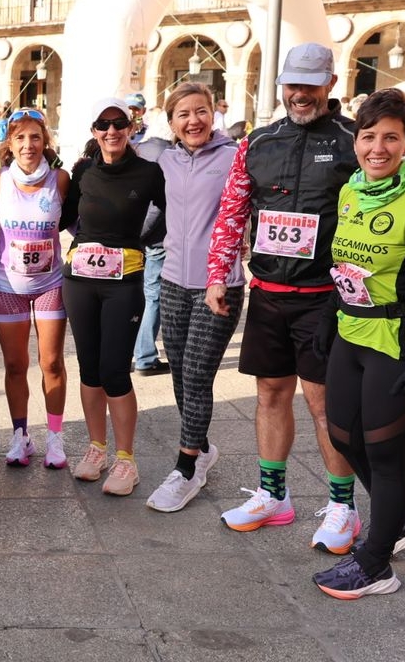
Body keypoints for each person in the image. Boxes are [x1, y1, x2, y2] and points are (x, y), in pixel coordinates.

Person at [206, 42, 363, 553]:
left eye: (310, 85)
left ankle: (343, 506)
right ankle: (274, 495)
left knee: (324, 403)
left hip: (326, 298)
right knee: (270, 393)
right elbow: (232, 211)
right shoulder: (258, 142)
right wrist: (217, 275)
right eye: (292, 84)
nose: (300, 94)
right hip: (269, 293)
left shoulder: (353, 141)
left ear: (330, 84)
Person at [312, 88, 405, 598]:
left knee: (386, 453)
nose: (378, 148)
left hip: (400, 340)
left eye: (390, 138)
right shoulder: (351, 192)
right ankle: (402, 521)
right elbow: (345, 264)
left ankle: (376, 565)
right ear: (356, 141)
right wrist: (329, 315)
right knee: (343, 437)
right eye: (368, 136)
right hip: (352, 331)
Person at [145, 84, 244, 512]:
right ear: (171, 122)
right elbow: (148, 207)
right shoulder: (164, 159)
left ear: (213, 114)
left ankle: (186, 469)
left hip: (218, 284)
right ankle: (201, 447)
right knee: (180, 375)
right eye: (183, 114)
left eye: (201, 111)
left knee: (198, 374)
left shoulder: (234, 157)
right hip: (171, 279)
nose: (193, 121)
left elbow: (251, 206)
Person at [62, 97, 166, 495]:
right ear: (94, 131)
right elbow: (65, 215)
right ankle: (97, 449)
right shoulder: (83, 171)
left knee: (114, 371)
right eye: (103, 125)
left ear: (131, 127)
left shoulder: (149, 172)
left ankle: (126, 460)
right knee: (89, 368)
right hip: (80, 280)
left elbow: (170, 213)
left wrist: (140, 242)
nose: (111, 131)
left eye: (118, 123)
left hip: (123, 282)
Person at [0, 108, 70, 467]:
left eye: (35, 137)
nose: (28, 145)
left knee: (51, 362)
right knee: (14, 364)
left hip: (50, 283)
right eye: (20, 137)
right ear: (9, 143)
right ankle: (20, 435)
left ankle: (55, 438)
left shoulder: (60, 179)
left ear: (45, 141)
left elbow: (77, 221)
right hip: (8, 285)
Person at [131, 116, 173, 376]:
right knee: (153, 295)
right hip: (157, 237)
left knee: (136, 294)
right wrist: (142, 233)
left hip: (134, 234)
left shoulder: (138, 150)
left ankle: (132, 350)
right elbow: (157, 206)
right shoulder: (168, 155)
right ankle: (145, 356)